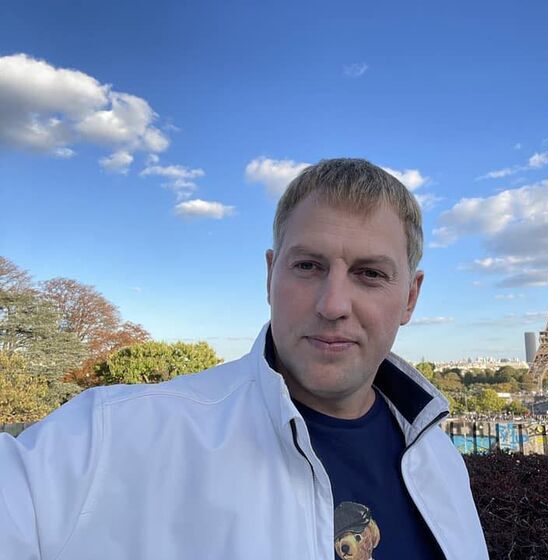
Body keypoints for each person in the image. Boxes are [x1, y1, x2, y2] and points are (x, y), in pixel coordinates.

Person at [0, 158, 488, 559]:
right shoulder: (116, 437)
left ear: (410, 298)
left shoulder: (440, 462)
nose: (333, 304)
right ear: (270, 276)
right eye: (308, 266)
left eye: (370, 274)